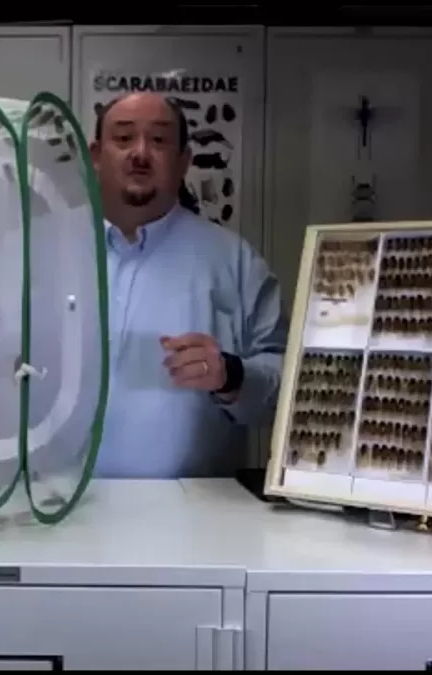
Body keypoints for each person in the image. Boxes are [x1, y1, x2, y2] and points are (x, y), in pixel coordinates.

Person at [89, 92, 286, 478]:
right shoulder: (47, 255)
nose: (140, 153)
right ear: (97, 155)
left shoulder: (234, 262)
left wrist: (232, 376)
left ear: (184, 161)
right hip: (59, 513)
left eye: (159, 140)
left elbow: (288, 388)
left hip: (193, 515)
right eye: (124, 138)